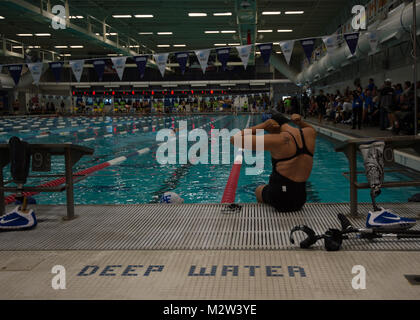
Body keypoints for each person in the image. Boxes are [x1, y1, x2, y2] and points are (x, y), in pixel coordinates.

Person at [230, 113, 316, 212]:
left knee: (258, 190)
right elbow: (311, 129)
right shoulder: (309, 133)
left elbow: (234, 139)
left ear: (273, 127)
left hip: (280, 199)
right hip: (300, 199)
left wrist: (262, 126)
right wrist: (300, 123)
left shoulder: (278, 139)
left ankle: (263, 218)